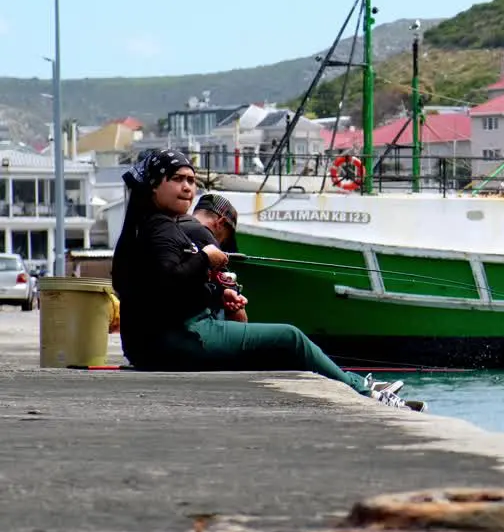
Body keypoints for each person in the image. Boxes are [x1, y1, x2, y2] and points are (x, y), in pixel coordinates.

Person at [111, 149, 419, 411]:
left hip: (154, 345)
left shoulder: (144, 226)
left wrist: (217, 296)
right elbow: (168, 282)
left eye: (191, 180)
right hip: (179, 340)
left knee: (278, 348)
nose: (187, 187)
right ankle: (366, 393)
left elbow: (151, 292)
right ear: (153, 186)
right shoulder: (161, 228)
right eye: (177, 179)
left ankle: (357, 385)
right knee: (289, 338)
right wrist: (206, 258)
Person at [181, 193, 246, 322]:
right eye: (224, 239)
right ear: (220, 222)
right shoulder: (204, 235)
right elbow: (240, 317)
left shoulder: (173, 225)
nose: (221, 244)